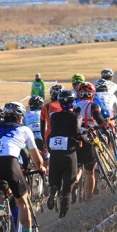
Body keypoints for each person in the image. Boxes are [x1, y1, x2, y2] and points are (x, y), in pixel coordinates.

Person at [0, 102, 46, 232]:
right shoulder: (24, 129)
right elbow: (36, 157)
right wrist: (41, 168)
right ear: (19, 117)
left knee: (3, 194)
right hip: (10, 164)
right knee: (22, 201)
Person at [46, 89, 83, 218]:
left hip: (55, 153)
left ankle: (53, 190)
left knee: (55, 181)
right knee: (67, 187)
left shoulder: (54, 116)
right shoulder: (76, 116)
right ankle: (62, 216)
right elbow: (77, 133)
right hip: (69, 153)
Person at [73, 82, 107, 201]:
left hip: (74, 139)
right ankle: (88, 198)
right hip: (88, 138)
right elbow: (98, 117)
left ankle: (75, 184)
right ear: (92, 94)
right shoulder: (93, 105)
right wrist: (105, 128)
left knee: (77, 168)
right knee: (89, 172)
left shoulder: (74, 106)